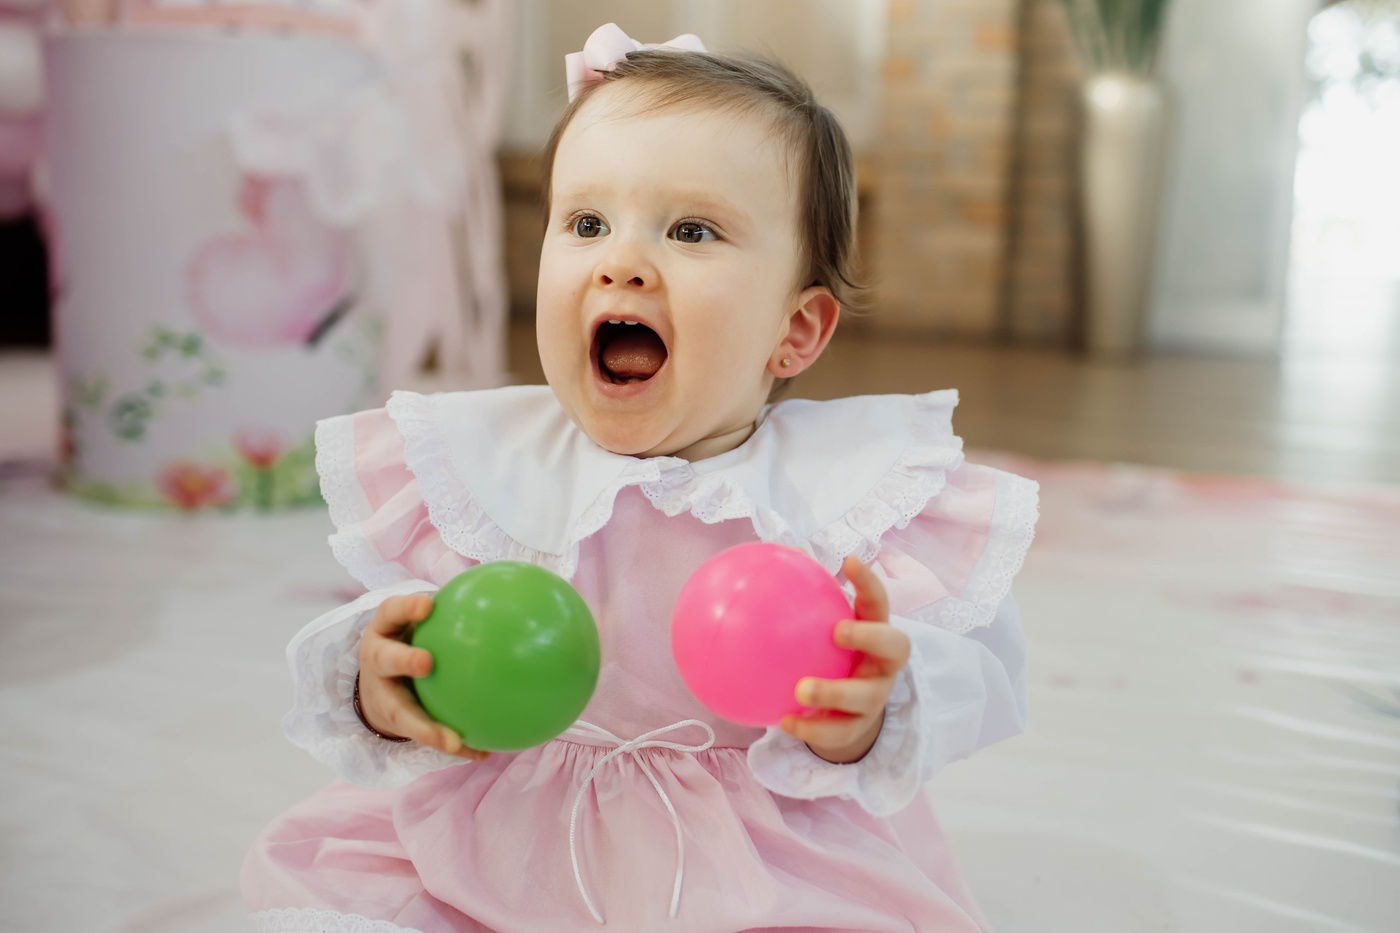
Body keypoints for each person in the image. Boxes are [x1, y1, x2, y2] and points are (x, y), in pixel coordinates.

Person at [242, 22, 1039, 933]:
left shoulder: (842, 497)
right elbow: (409, 625)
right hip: (497, 843)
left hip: (756, 859)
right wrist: (385, 685)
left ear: (796, 330)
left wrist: (874, 707)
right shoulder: (490, 465)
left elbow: (982, 673)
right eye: (586, 224)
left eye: (692, 230)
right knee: (337, 908)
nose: (619, 261)